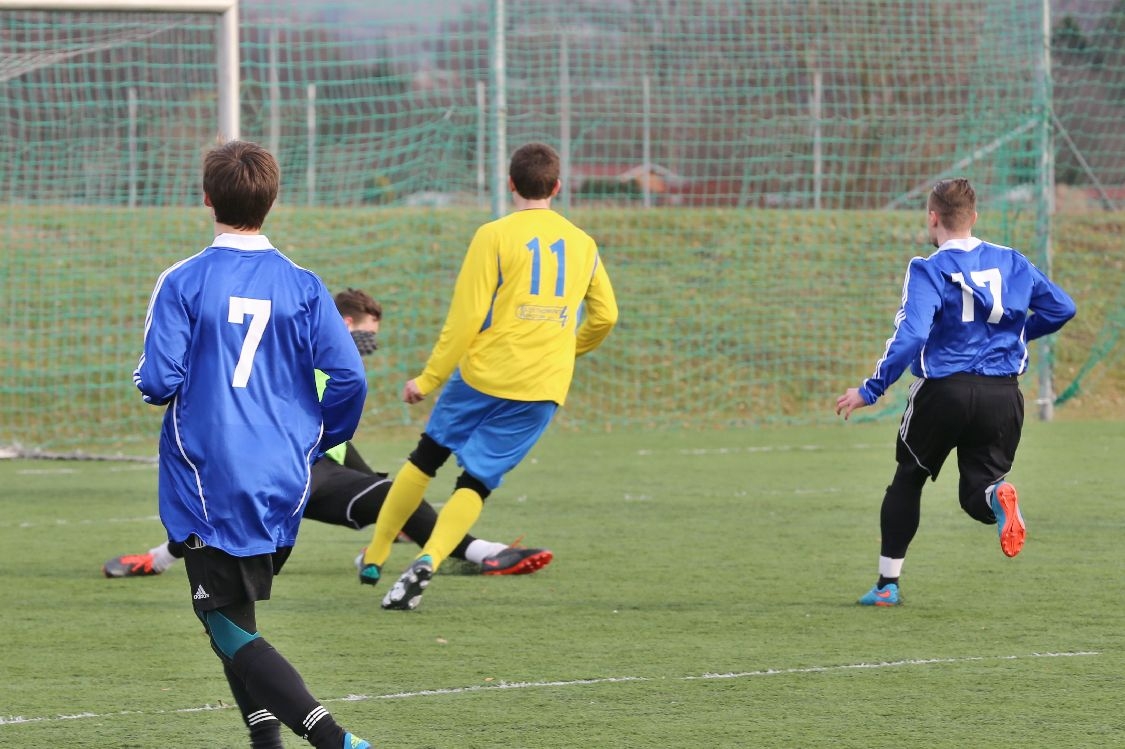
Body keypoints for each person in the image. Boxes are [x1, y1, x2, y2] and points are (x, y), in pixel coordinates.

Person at [133, 139, 372, 749]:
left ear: (207, 198)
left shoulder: (184, 280)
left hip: (211, 475)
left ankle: (339, 743)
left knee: (225, 626)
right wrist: (322, 436)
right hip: (284, 477)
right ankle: (265, 742)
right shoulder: (304, 284)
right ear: (272, 200)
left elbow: (158, 382)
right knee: (235, 619)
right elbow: (348, 377)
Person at [106, 289, 553, 580]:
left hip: (284, 467)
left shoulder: (309, 348)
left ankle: (157, 559)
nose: (369, 345)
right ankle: (477, 552)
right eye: (365, 334)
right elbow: (328, 436)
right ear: (342, 321)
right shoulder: (312, 355)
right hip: (283, 466)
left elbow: (331, 438)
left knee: (231, 524)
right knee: (230, 530)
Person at [358, 141, 618, 611]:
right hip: (542, 387)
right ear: (557, 187)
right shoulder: (584, 244)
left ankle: (375, 557)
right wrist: (565, 349)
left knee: (425, 459)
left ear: (510, 184)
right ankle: (430, 561)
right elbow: (605, 317)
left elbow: (465, 318)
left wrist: (429, 378)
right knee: (475, 482)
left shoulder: (494, 235)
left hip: (483, 374)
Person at [835, 177, 1076, 607]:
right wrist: (1014, 335)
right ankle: (998, 499)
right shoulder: (1013, 261)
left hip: (942, 393)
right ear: (974, 217)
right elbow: (1062, 308)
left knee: (907, 480)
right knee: (977, 492)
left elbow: (910, 337)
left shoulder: (928, 268)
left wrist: (870, 390)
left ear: (933, 218)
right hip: (1002, 395)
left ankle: (887, 586)